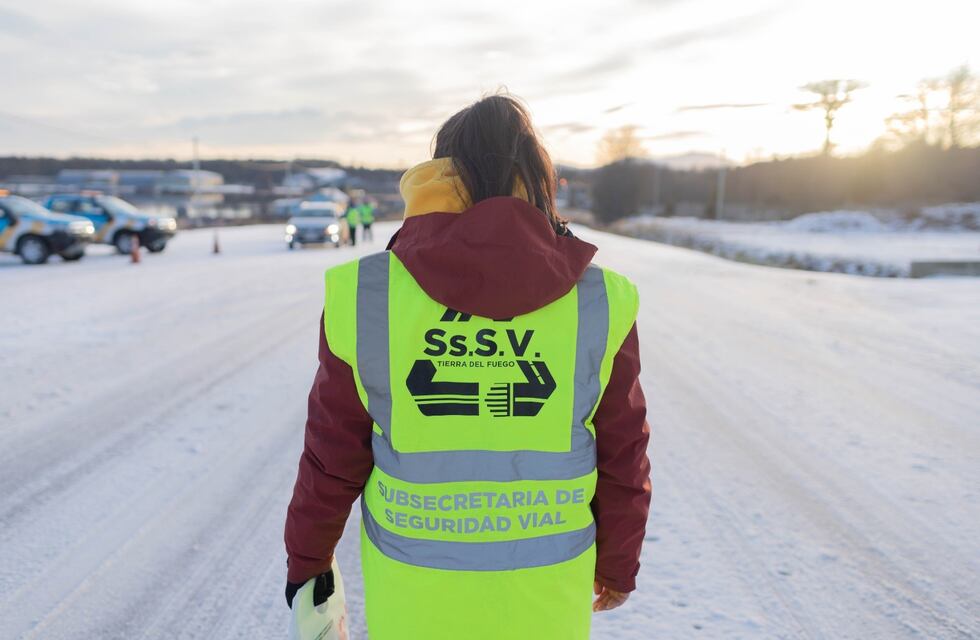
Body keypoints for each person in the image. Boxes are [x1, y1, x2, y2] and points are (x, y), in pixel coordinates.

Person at [284, 94, 651, 639]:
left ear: (438, 176)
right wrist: (618, 564)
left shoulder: (367, 293)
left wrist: (307, 563)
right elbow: (623, 452)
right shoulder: (598, 298)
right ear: (536, 179)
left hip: (413, 594)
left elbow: (332, 453)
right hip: (546, 594)